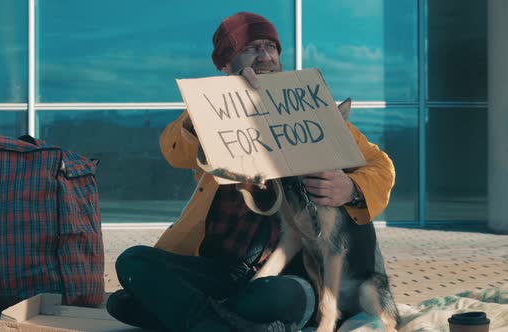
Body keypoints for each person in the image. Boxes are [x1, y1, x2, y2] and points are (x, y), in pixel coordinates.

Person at [107, 12, 395, 332]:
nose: (266, 55)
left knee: (277, 297)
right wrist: (223, 96)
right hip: (219, 269)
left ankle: (204, 319)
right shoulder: (214, 112)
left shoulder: (312, 112)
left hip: (287, 276)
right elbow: (174, 149)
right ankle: (226, 322)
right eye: (252, 47)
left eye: (271, 47)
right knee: (132, 264)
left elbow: (381, 165)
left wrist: (352, 187)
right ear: (225, 65)